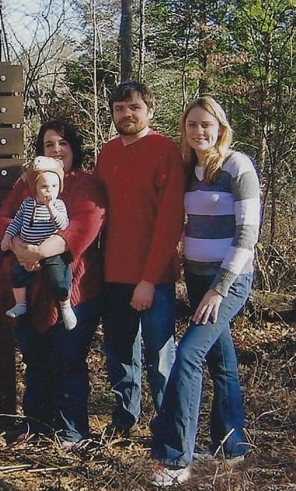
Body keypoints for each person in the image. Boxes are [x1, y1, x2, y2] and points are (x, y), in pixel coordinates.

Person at [150, 97, 260, 486]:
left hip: (228, 280)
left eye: (206, 124)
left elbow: (247, 235)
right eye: (192, 125)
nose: (199, 131)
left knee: (189, 354)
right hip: (196, 278)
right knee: (221, 360)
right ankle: (233, 447)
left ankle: (178, 458)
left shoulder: (237, 165)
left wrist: (219, 289)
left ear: (220, 127)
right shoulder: (188, 168)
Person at [0, 120, 106, 451]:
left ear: (74, 148)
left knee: (67, 359)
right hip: (27, 289)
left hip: (74, 289)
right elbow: (5, 216)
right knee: (36, 359)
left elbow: (83, 228)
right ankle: (36, 428)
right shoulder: (29, 182)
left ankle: (72, 433)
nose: (56, 150)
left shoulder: (86, 185)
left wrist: (38, 252)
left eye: (63, 143)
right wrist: (17, 247)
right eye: (49, 144)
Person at [94, 81, 185, 436]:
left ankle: (168, 429)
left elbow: (170, 221)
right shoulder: (107, 152)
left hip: (155, 277)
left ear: (149, 111)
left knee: (160, 358)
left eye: (134, 107)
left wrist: (148, 278)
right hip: (113, 273)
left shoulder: (165, 151)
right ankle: (124, 421)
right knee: (119, 355)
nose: (127, 114)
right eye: (120, 108)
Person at [0, 156, 77, 329]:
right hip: (26, 249)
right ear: (34, 188)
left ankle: (65, 306)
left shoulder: (59, 205)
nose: (49, 190)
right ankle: (20, 304)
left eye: (54, 186)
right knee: (17, 274)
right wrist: (8, 237)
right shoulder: (28, 204)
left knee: (58, 279)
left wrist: (50, 208)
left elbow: (63, 225)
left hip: (51, 251)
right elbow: (16, 222)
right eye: (43, 186)